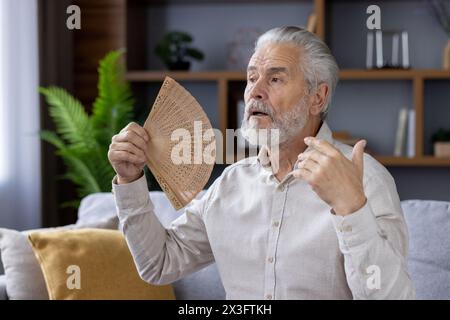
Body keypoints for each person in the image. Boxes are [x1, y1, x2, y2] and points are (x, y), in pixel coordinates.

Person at [108, 26, 415, 299]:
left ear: (317, 98)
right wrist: (129, 180)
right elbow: (158, 264)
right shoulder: (230, 184)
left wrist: (352, 209)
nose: (255, 92)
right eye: (252, 77)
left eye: (276, 78)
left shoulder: (364, 178)